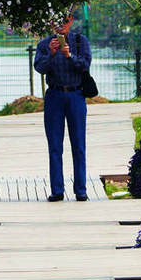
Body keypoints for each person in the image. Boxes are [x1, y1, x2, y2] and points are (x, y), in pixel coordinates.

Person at [33, 13, 92, 202]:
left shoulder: (81, 42)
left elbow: (85, 65)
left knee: (79, 145)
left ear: (71, 21)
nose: (61, 26)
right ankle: (57, 190)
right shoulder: (44, 44)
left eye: (65, 22)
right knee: (55, 146)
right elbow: (39, 68)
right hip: (54, 96)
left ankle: (80, 189)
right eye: (56, 22)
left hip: (76, 95)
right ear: (51, 23)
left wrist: (69, 56)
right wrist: (51, 54)